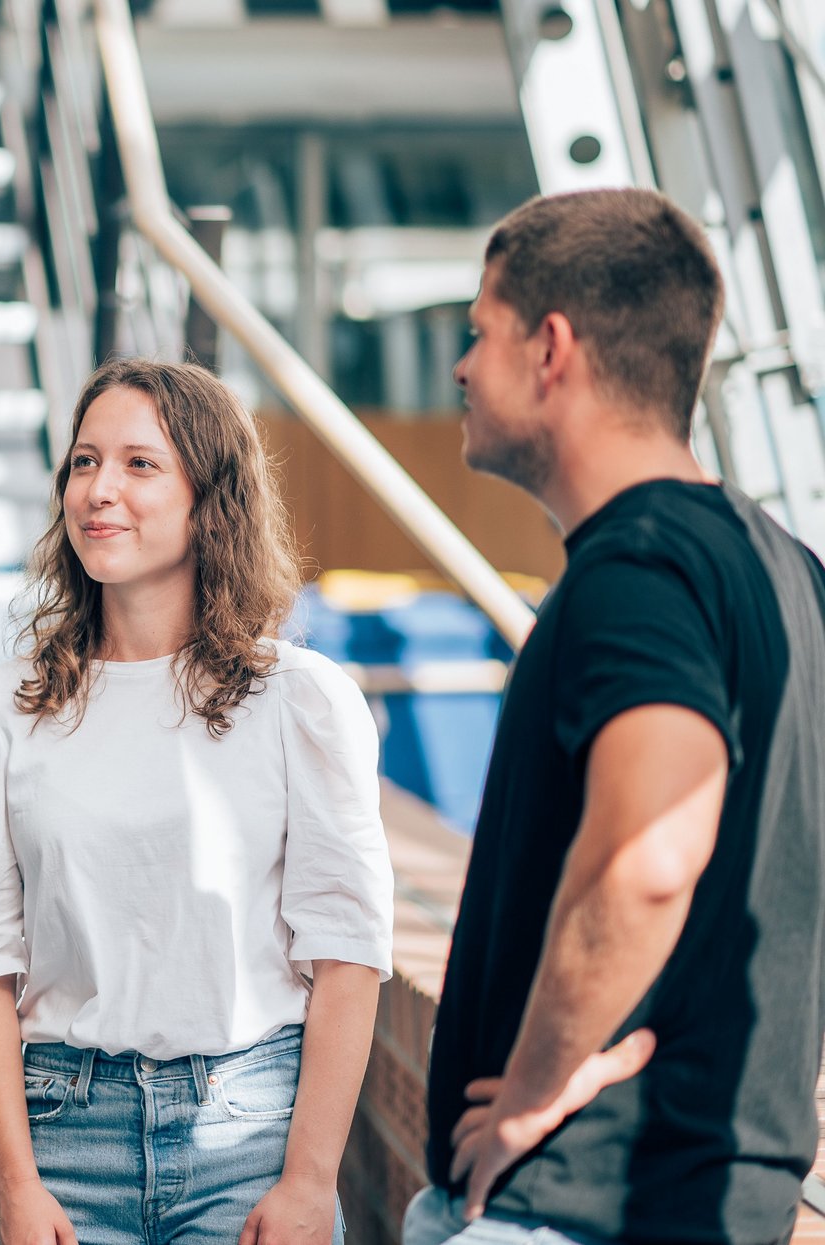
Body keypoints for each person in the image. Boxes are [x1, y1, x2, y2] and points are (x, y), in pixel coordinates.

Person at [403, 188, 825, 1245]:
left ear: (551, 349)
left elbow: (650, 856)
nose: (462, 369)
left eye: (480, 333)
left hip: (582, 1205)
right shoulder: (791, 575)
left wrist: (532, 1095)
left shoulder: (636, 568)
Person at [0, 357, 395, 1245]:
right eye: (84, 461)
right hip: (62, 1141)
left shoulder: (299, 701)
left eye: (140, 464)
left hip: (254, 1138)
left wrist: (309, 1179)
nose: (100, 489)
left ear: (211, 500)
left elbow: (347, 952)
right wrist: (15, 1189)